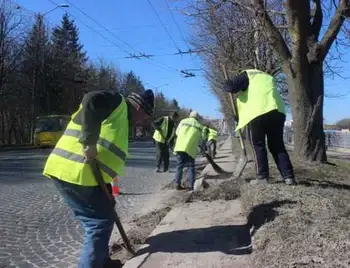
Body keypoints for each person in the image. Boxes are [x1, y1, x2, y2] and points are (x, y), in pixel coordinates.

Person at [42, 89, 154, 268]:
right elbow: (91, 99)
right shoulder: (118, 103)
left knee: (105, 213)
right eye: (144, 116)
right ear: (139, 107)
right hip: (75, 171)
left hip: (86, 176)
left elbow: (108, 152)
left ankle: (102, 261)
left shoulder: (121, 119)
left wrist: (109, 192)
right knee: (98, 223)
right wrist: (89, 141)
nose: (142, 121)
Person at [223, 69, 296, 185]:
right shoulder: (268, 77)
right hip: (277, 111)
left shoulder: (247, 74)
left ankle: (262, 177)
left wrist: (226, 82)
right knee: (277, 145)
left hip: (259, 112)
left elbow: (231, 87)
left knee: (258, 144)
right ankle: (289, 177)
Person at [173, 111, 204, 191]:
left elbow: (177, 132)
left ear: (190, 116)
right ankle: (191, 186)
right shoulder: (200, 126)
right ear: (197, 118)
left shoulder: (183, 121)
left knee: (179, 166)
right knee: (191, 167)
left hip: (180, 146)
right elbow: (201, 139)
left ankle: (177, 184)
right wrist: (200, 148)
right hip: (191, 148)